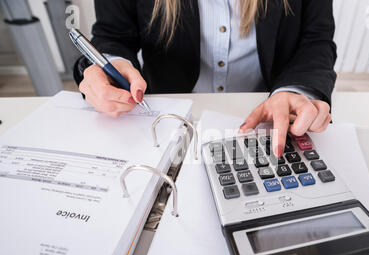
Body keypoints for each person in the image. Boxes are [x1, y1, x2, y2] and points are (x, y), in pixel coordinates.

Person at [74, 0, 336, 157]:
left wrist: (296, 90)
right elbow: (113, 35)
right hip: (167, 118)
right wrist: (112, 65)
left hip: (265, 113)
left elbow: (316, 39)